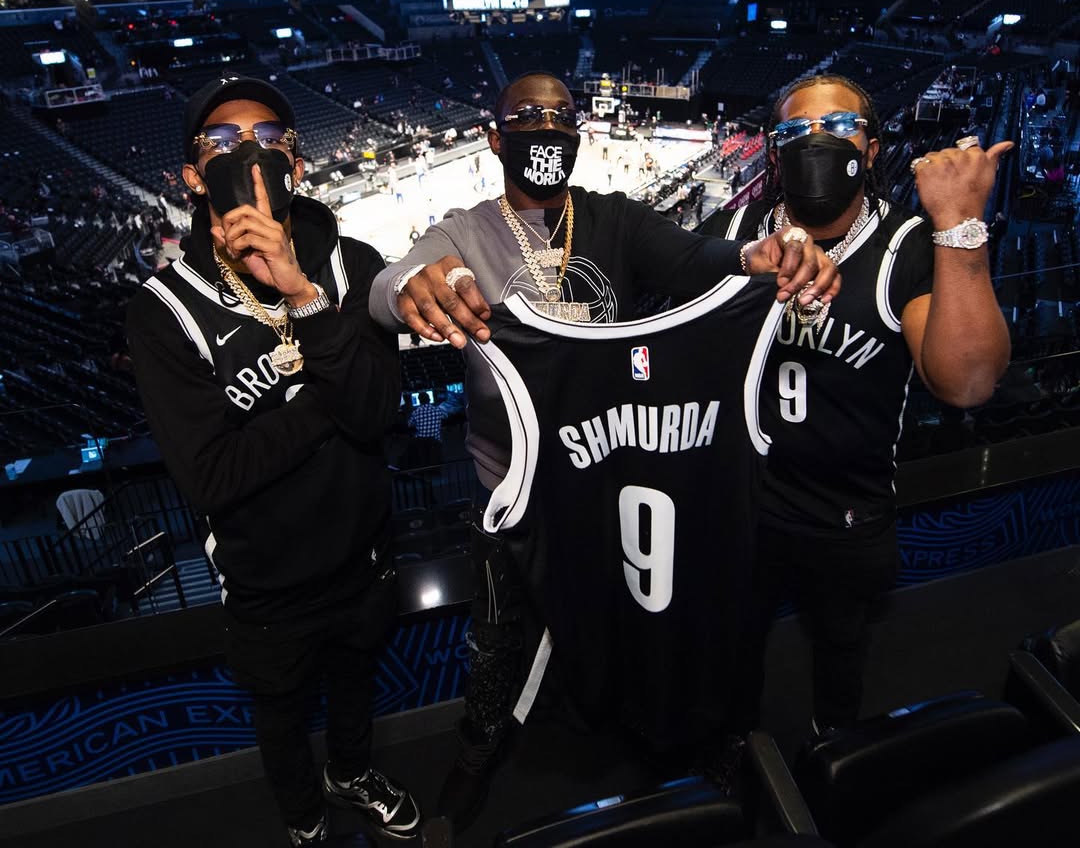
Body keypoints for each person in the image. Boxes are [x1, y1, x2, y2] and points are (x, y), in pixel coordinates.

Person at [368, 71, 841, 828]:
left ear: (578, 135)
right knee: (496, 637)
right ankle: (480, 745)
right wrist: (410, 289)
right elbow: (390, 282)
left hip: (613, 467)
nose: (545, 126)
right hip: (510, 482)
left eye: (559, 114)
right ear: (494, 138)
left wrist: (757, 254)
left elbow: (696, 259)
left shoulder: (615, 219)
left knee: (636, 610)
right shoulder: (463, 230)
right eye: (526, 115)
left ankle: (659, 734)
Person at [126, 76, 420, 846]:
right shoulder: (163, 308)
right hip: (265, 582)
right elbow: (212, 475)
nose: (248, 155)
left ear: (296, 161)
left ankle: (351, 774)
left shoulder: (353, 263)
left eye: (269, 139)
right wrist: (332, 391)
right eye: (223, 143)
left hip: (364, 551)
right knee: (282, 715)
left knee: (356, 688)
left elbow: (381, 412)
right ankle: (303, 818)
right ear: (192, 177)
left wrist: (300, 291)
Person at [699, 74, 1012, 739]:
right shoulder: (737, 228)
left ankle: (831, 758)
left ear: (871, 151)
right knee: (730, 652)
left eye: (838, 127)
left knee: (840, 657)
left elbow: (968, 382)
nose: (815, 143)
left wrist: (960, 226)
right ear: (774, 152)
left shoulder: (907, 246)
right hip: (742, 504)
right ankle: (730, 761)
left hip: (846, 512)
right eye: (795, 132)